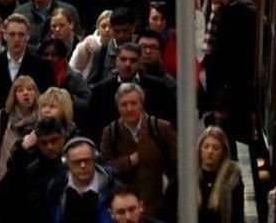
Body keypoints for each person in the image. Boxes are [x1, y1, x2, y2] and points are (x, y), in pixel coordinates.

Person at [100, 83, 177, 220]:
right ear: (117, 107)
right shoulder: (111, 133)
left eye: (133, 103)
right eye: (124, 104)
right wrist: (129, 161)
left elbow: (180, 163)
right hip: (126, 211)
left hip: (159, 207)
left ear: (141, 104)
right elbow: (104, 169)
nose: (129, 108)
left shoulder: (160, 128)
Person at [200, 0, 256, 149]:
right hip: (219, 74)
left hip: (231, 79)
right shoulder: (217, 5)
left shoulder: (240, 11)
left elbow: (239, 50)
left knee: (227, 124)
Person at [0, 75, 40, 197]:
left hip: (34, 188)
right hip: (5, 186)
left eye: (30, 89)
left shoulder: (42, 120)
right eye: (20, 90)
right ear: (14, 95)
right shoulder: (1, 118)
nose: (26, 93)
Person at [44, 138, 114, 223]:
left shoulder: (111, 186)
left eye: (87, 160)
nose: (83, 165)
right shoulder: (56, 188)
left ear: (95, 159)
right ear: (66, 163)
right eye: (77, 162)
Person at [196, 127, 244, 223]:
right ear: (200, 149)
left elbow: (237, 217)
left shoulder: (232, 179)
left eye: (215, 148)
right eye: (206, 146)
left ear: (223, 152)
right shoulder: (186, 176)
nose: (210, 151)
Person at [70, 9, 113, 79]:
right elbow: (73, 69)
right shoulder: (86, 45)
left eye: (110, 26)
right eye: (103, 26)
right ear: (98, 27)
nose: (107, 29)